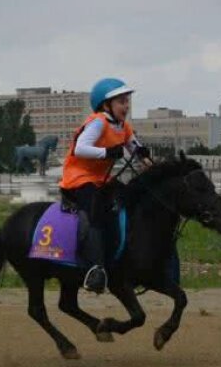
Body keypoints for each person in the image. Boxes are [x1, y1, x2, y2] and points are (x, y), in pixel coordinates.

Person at [59, 77, 152, 293]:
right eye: (121, 102)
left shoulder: (123, 127)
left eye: (127, 101)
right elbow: (80, 149)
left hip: (102, 179)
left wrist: (147, 160)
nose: (126, 106)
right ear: (106, 105)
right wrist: (107, 152)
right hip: (79, 178)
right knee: (97, 213)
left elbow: (136, 149)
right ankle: (95, 269)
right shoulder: (98, 122)